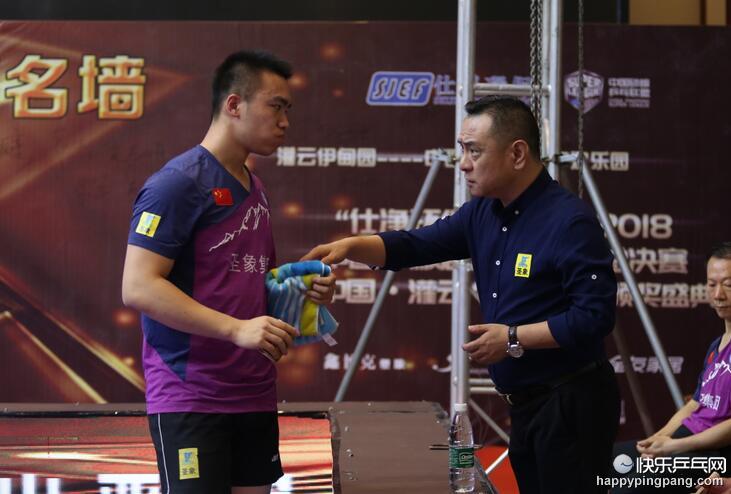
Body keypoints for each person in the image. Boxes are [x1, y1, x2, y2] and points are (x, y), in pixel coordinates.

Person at [302, 95, 619, 493]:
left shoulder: (569, 221)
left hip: (572, 403)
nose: (464, 163)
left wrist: (513, 337)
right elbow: (415, 245)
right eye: (461, 150)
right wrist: (350, 247)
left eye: (474, 151)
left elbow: (594, 317)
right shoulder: (483, 212)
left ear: (517, 153)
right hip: (526, 405)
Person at [122, 50, 335, 494]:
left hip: (254, 391)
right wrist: (237, 329)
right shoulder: (177, 183)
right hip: (191, 394)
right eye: (276, 106)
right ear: (234, 105)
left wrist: (299, 289)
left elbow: (248, 279)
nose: (285, 122)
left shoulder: (255, 187)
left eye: (288, 109)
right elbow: (138, 286)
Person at [612, 243, 731, 493]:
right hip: (685, 441)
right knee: (602, 463)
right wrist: (659, 437)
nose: (719, 294)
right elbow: (695, 404)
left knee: (628, 487)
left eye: (728, 285)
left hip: (713, 453)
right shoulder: (716, 346)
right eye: (711, 284)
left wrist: (673, 447)